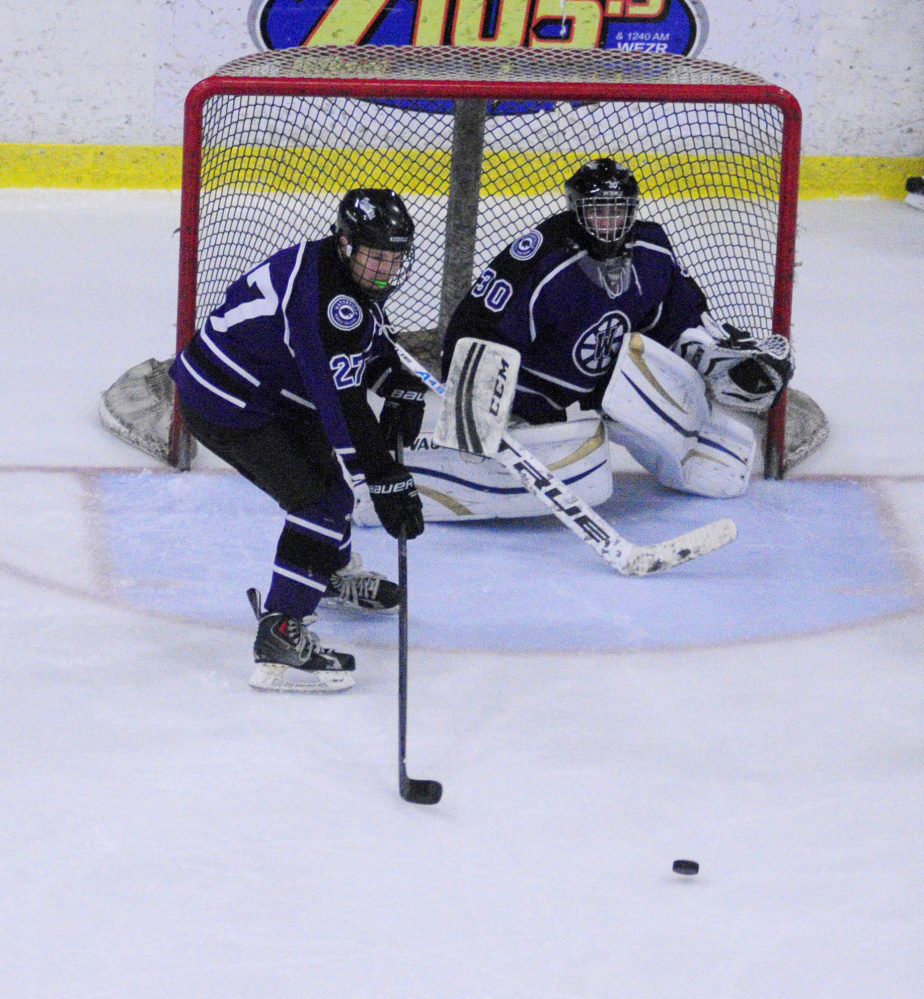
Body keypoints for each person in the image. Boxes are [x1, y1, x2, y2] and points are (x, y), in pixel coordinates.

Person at [170, 188, 429, 693]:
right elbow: (340, 404)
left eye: (394, 257)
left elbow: (363, 340)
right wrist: (385, 477)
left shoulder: (339, 275)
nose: (384, 268)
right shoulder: (321, 297)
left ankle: (326, 572)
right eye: (375, 255)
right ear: (346, 243)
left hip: (268, 391)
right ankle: (280, 638)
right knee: (321, 503)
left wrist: (394, 381)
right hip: (227, 402)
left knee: (329, 490)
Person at [441, 158, 796, 500]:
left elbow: (678, 316)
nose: (608, 221)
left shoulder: (651, 250)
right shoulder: (542, 261)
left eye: (618, 210)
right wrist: (479, 410)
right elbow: (475, 328)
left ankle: (691, 445)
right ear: (576, 208)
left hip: (603, 381)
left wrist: (714, 354)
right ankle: (519, 430)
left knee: (646, 370)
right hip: (529, 392)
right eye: (597, 210)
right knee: (563, 449)